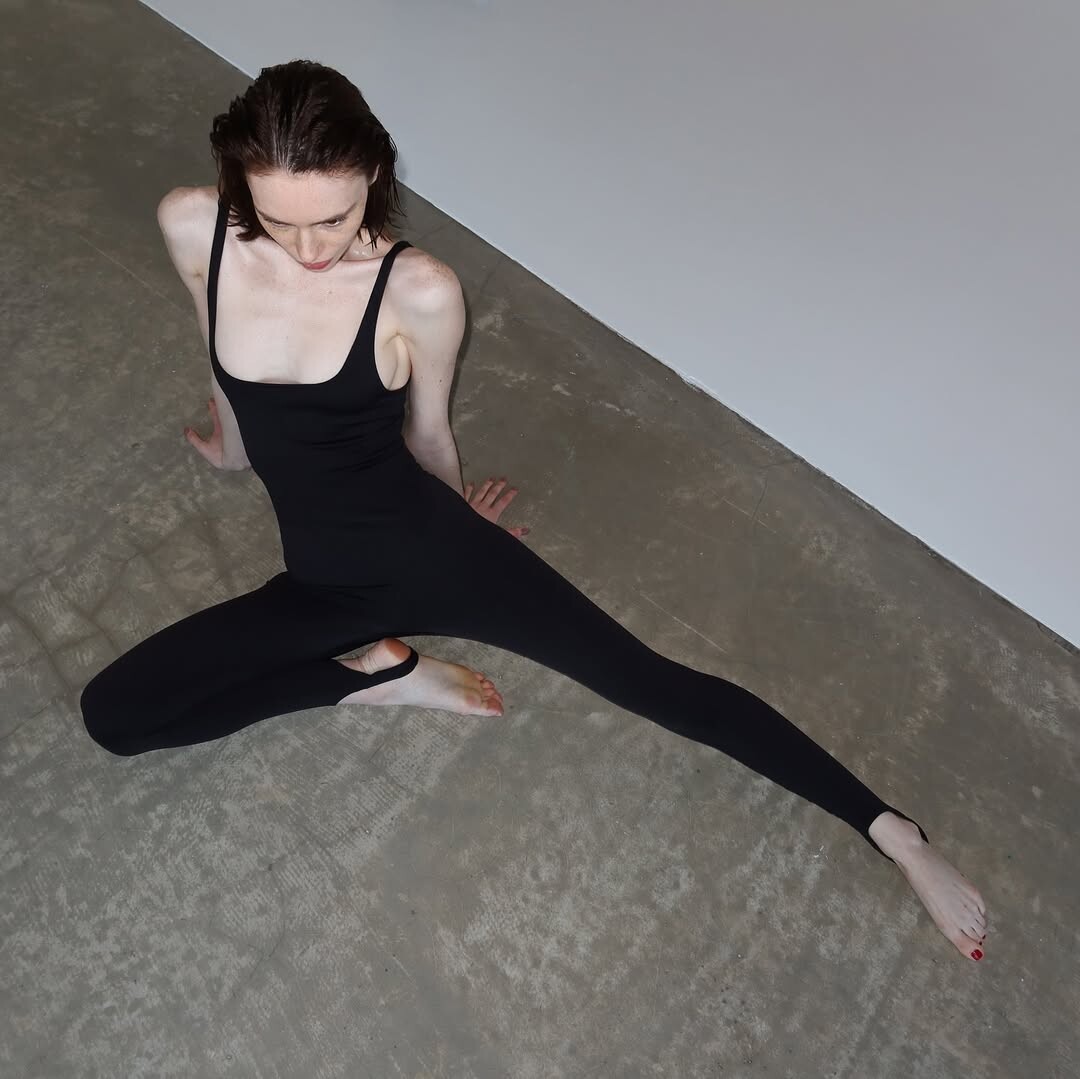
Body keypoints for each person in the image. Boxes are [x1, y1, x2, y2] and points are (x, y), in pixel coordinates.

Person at [79, 59, 988, 961]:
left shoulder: (417, 290)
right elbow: (215, 342)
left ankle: (894, 833)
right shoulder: (194, 224)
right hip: (319, 582)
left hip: (435, 553)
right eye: (279, 218)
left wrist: (461, 523)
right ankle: (373, 677)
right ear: (239, 182)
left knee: (651, 681)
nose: (309, 247)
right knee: (115, 716)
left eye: (335, 217)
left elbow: (428, 431)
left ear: (374, 177)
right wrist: (234, 441)